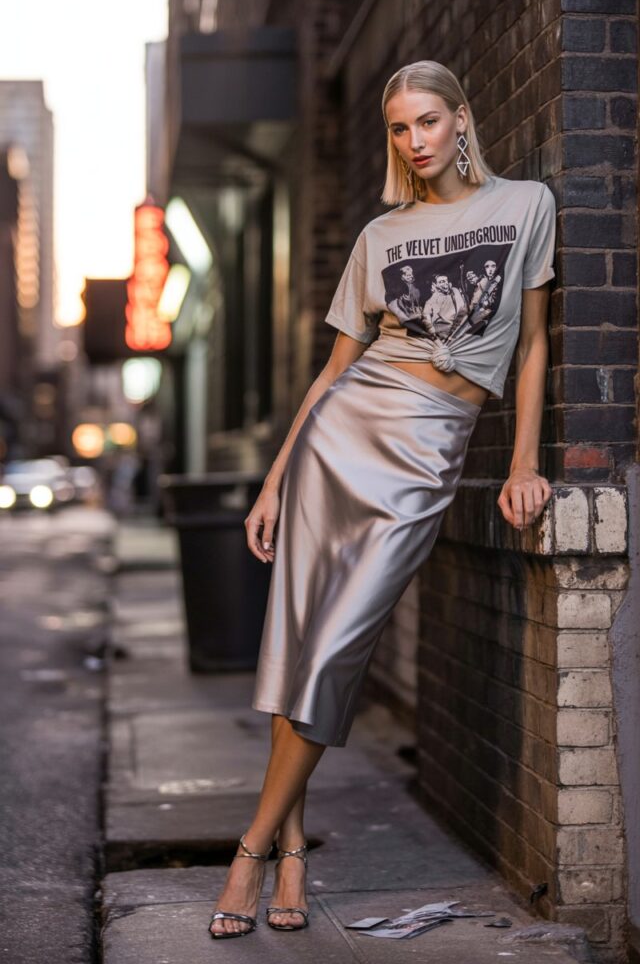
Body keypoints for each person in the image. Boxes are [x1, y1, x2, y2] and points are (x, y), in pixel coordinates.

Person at [209, 59, 556, 939]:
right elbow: (334, 370)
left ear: (463, 120)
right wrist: (275, 480)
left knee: (334, 652)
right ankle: (288, 855)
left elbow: (532, 349)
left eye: (429, 122)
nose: (416, 141)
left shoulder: (525, 207)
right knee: (299, 651)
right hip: (341, 436)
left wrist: (521, 464)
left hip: (433, 443)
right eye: (401, 129)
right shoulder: (379, 234)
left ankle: (248, 849)